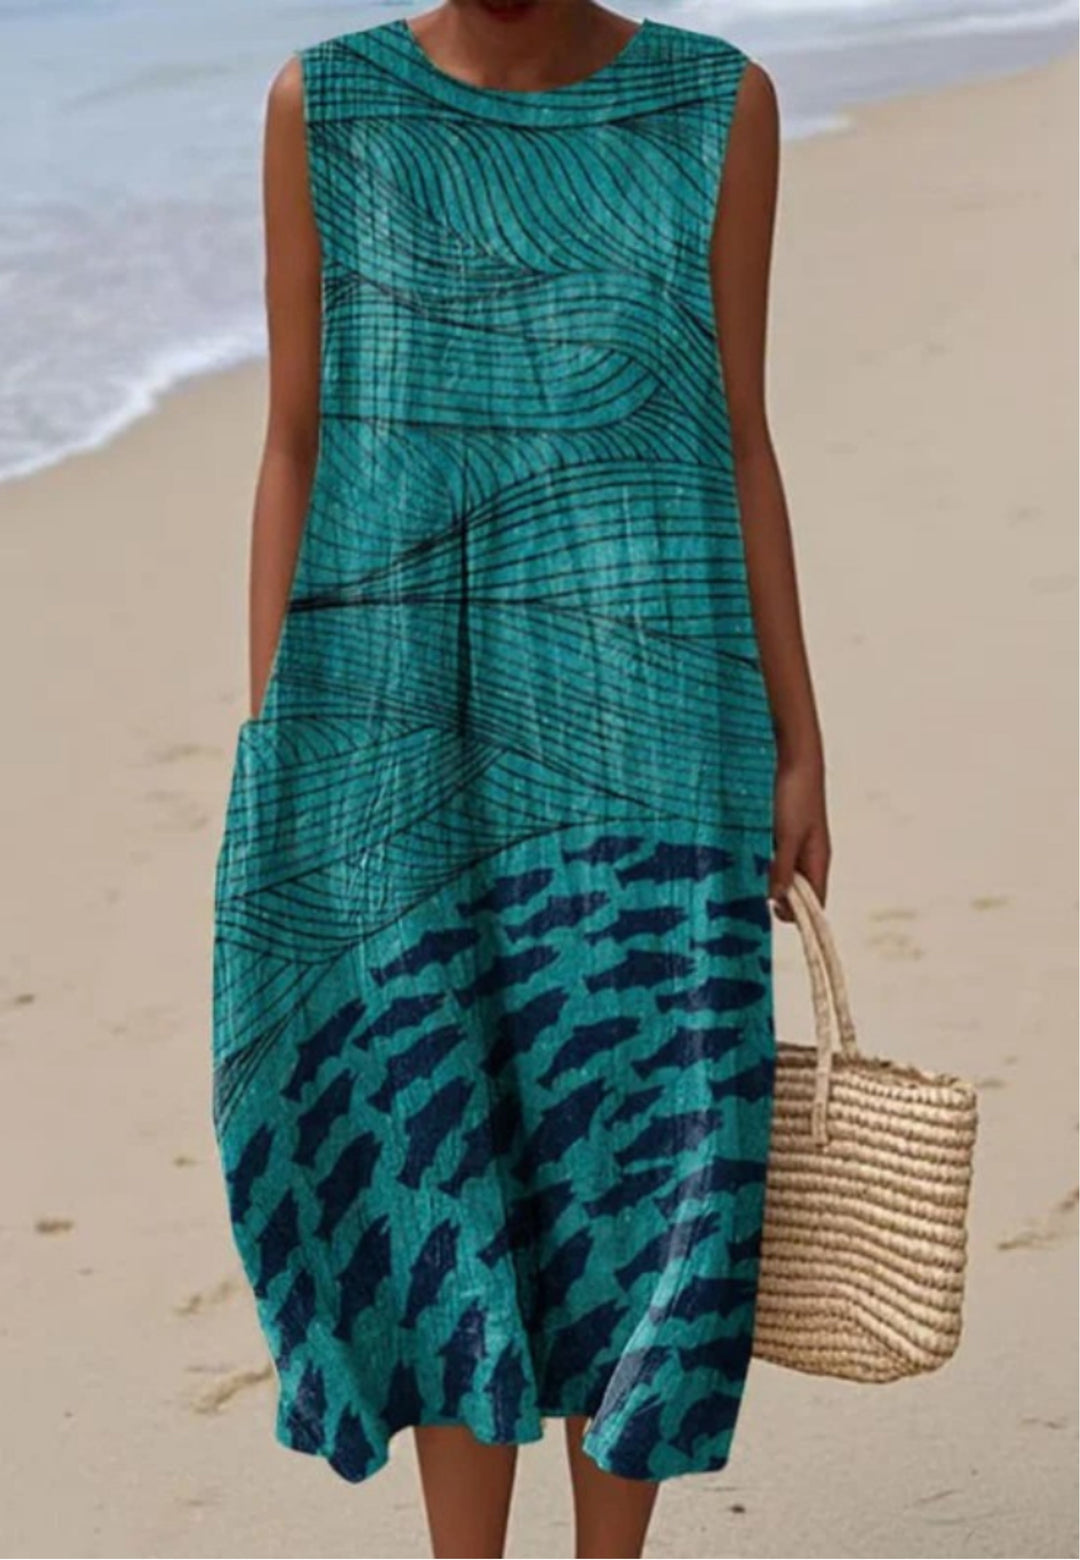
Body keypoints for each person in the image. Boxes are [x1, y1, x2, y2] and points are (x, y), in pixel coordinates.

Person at [210, 3, 830, 1557]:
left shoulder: (715, 106)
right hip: (395, 720)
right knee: (435, 1149)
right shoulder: (327, 107)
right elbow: (292, 440)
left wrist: (800, 738)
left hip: (660, 734)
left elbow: (740, 435)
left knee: (647, 1155)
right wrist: (280, 730)